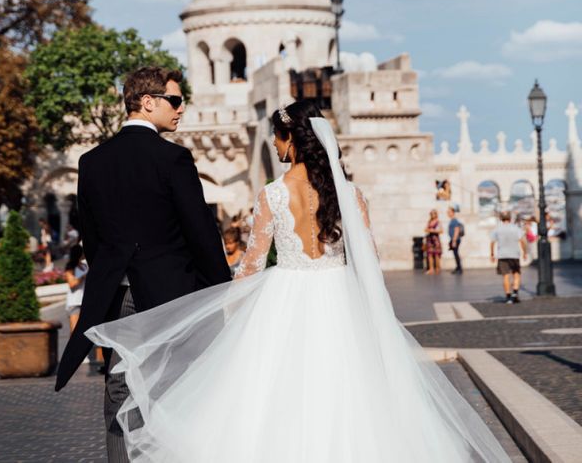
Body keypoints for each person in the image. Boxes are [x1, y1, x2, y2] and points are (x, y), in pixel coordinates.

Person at [86, 101, 510, 462]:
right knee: (352, 391)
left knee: (276, 398)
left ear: (291, 139)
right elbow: (370, 263)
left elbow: (251, 265)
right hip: (340, 297)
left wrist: (230, 310)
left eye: (277, 136)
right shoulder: (351, 195)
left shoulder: (272, 194)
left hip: (284, 298)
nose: (273, 144)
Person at [55, 66, 231, 462]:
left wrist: (112, 275)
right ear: (147, 102)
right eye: (175, 100)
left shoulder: (92, 161)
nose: (181, 109)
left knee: (120, 387)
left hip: (116, 293)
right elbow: (199, 231)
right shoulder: (173, 159)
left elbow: (92, 238)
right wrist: (219, 288)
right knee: (178, 388)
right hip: (172, 294)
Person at [491, 212, 527, 304]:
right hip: (514, 254)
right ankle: (515, 293)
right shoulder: (516, 228)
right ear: (510, 219)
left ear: (501, 219)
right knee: (516, 274)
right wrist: (524, 252)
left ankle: (508, 295)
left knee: (506, 276)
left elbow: (492, 242)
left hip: (502, 255)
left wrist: (492, 254)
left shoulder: (497, 229)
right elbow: (522, 241)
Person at [64, 245, 88, 334]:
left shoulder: (85, 265)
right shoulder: (70, 267)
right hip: (74, 302)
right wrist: (83, 276)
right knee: (74, 332)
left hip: (85, 301)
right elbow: (72, 284)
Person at [447, 205, 464, 274]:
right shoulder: (452, 220)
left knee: (456, 254)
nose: (448, 213)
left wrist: (454, 241)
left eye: (449, 212)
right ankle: (458, 267)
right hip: (454, 239)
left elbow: (456, 230)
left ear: (453, 212)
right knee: (455, 253)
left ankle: (459, 268)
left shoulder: (454, 220)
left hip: (455, 239)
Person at [424, 209, 442, 274]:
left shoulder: (438, 222)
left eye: (433, 213)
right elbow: (425, 229)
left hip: (435, 239)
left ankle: (437, 268)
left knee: (437, 254)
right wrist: (428, 230)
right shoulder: (429, 222)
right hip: (430, 239)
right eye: (431, 214)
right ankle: (431, 269)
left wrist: (433, 230)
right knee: (430, 254)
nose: (432, 215)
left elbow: (441, 231)